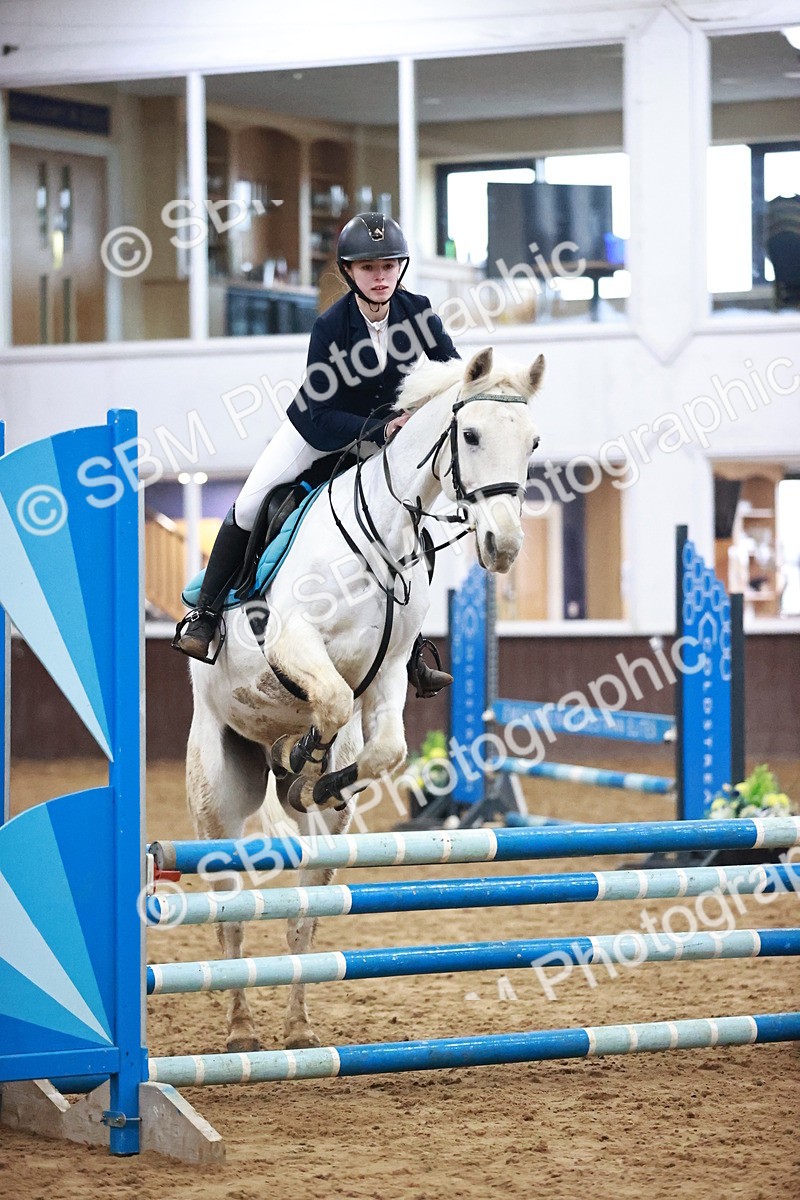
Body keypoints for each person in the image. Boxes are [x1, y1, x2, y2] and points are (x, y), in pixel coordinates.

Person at [173, 211, 457, 697]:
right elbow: (321, 412)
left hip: (385, 437)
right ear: (349, 272)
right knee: (249, 503)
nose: (381, 276)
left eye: (389, 265)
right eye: (369, 268)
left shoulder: (419, 312)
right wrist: (383, 425)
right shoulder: (331, 325)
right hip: (318, 431)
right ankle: (206, 614)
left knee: (408, 528)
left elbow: (452, 372)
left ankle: (409, 650)